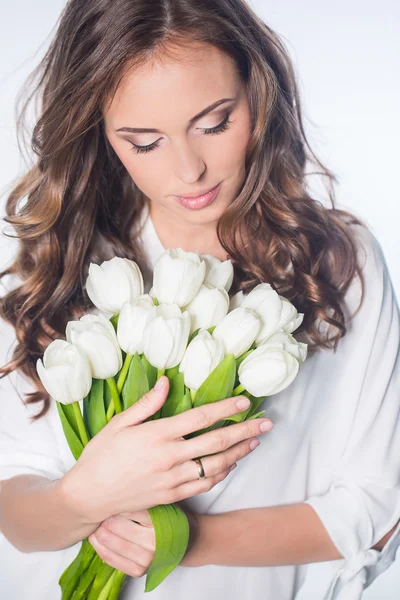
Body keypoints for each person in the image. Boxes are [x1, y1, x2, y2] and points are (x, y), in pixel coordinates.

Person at [0, 0, 399, 599]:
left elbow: (377, 503)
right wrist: (86, 495)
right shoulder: (62, 270)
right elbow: (15, 504)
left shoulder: (338, 263)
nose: (189, 170)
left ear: (258, 94)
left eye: (214, 123)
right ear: (99, 135)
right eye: (144, 142)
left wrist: (185, 540)